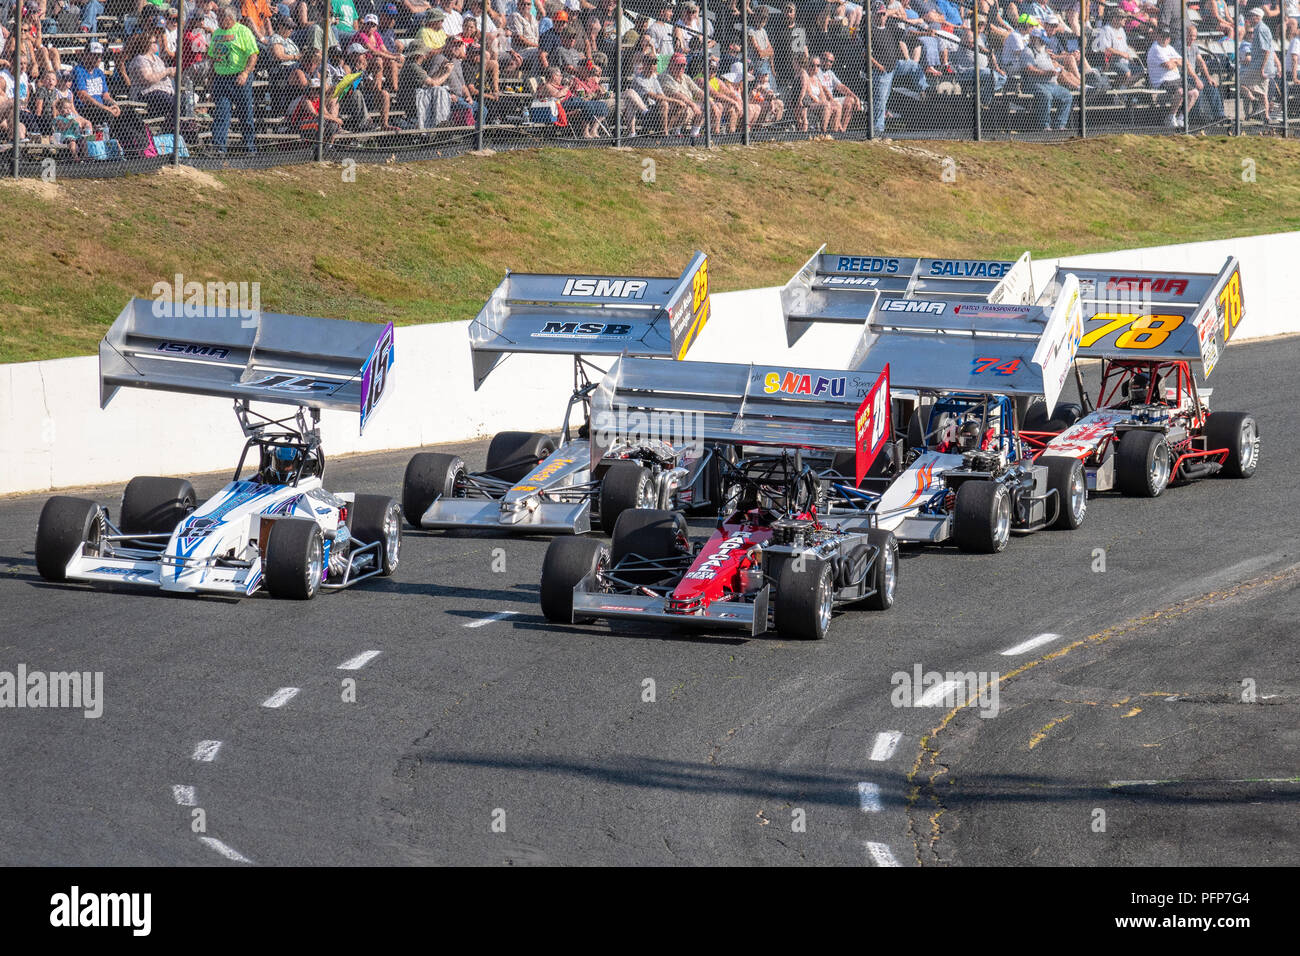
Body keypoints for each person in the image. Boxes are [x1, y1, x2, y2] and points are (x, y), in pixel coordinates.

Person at [209, 4, 259, 152]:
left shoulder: (243, 31)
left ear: (229, 19)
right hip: (221, 78)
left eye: (220, 18)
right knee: (221, 115)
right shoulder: (217, 33)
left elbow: (253, 55)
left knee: (245, 115)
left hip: (239, 78)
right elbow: (212, 58)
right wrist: (212, 79)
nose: (217, 20)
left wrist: (245, 73)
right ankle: (219, 148)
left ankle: (250, 148)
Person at [866, 0, 905, 135]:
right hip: (881, 71)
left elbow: (904, 23)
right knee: (880, 99)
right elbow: (866, 53)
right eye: (879, 14)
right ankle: (878, 129)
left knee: (912, 66)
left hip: (894, 67)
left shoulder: (891, 27)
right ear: (874, 15)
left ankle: (925, 89)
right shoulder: (870, 30)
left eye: (883, 14)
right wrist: (878, 66)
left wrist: (892, 14)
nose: (881, 17)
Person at [1146, 24, 1193, 126]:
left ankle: (1181, 118)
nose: (1165, 39)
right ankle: (1171, 117)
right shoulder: (1156, 48)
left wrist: (1174, 60)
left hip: (1175, 79)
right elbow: (1168, 65)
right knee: (1181, 91)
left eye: (1167, 37)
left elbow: (1183, 61)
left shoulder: (1169, 48)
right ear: (1158, 36)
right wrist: (1175, 61)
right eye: (1162, 36)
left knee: (1194, 92)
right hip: (1162, 81)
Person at [1091, 6, 1139, 87]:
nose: (1125, 19)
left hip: (1125, 61)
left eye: (1125, 17)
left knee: (1140, 71)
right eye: (1122, 17)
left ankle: (1119, 89)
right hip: (1112, 61)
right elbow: (1106, 49)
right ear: (1114, 19)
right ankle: (1117, 91)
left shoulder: (1122, 30)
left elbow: (1125, 47)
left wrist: (1131, 55)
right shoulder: (1106, 30)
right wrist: (1121, 54)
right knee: (1127, 73)